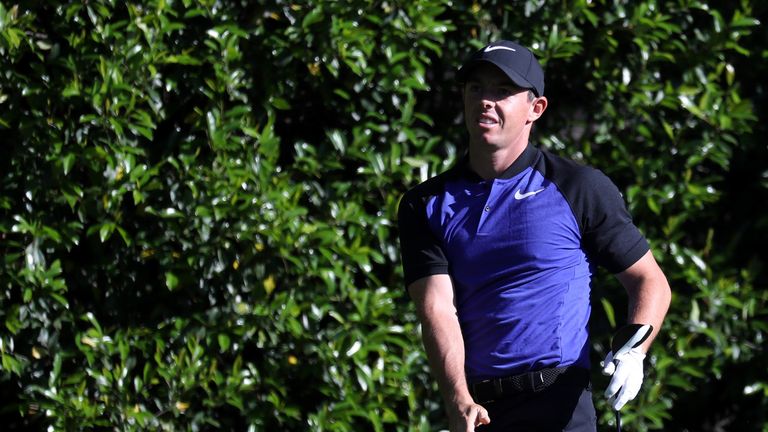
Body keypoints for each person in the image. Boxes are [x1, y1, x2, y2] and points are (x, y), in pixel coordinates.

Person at [397, 40, 672, 431]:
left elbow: (649, 281)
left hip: (559, 405)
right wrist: (458, 399)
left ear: (535, 108)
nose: (486, 101)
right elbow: (437, 310)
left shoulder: (578, 187)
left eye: (503, 91)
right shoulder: (425, 203)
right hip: (480, 412)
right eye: (476, 88)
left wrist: (634, 353)